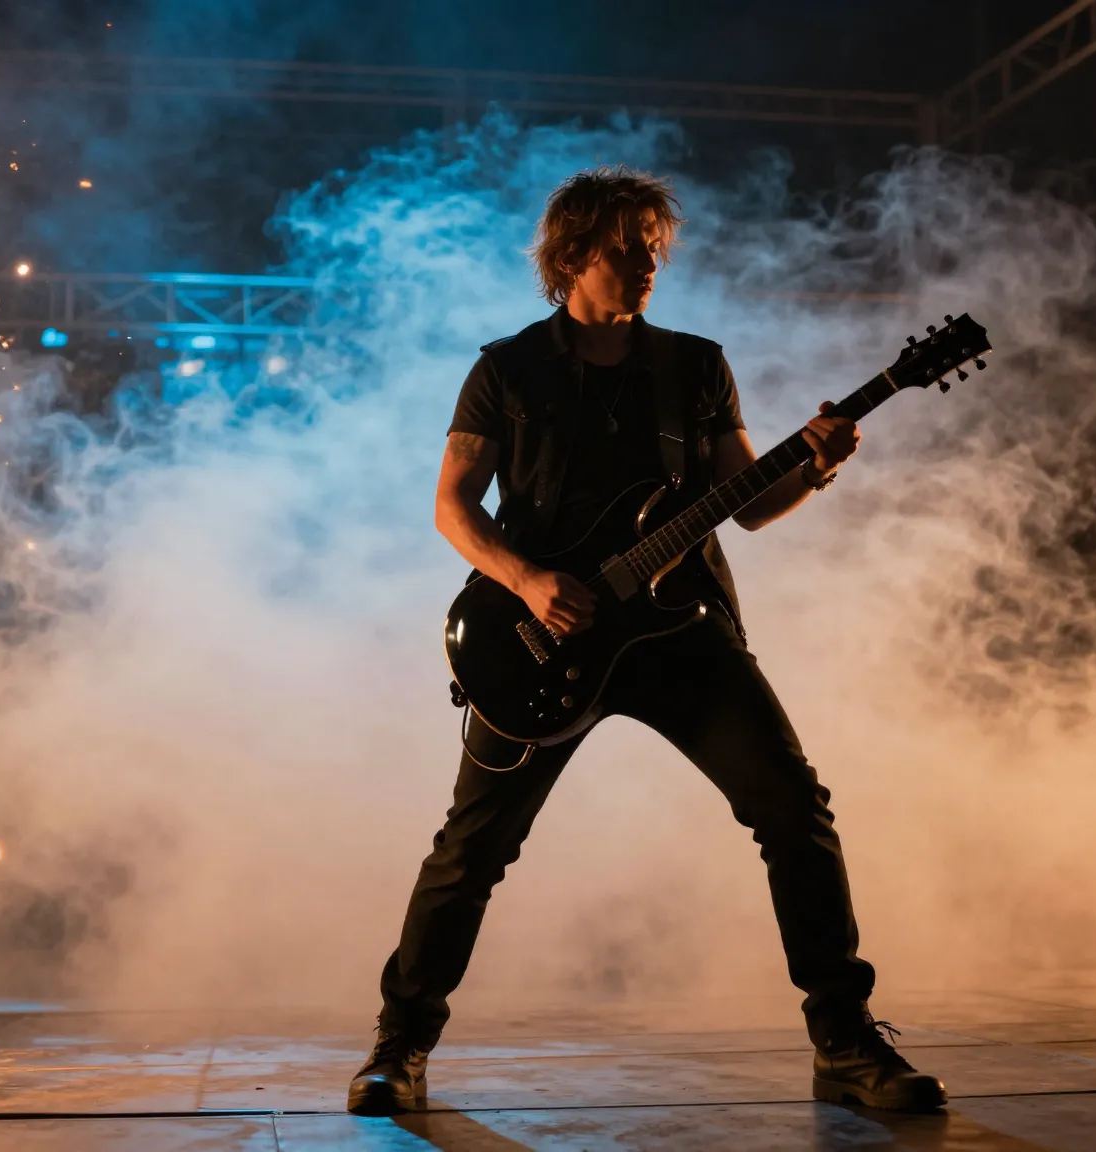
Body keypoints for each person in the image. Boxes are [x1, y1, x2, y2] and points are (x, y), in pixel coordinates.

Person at [348, 166, 945, 1115]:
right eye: (628, 247)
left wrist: (817, 467)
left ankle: (845, 1040)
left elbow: (749, 505)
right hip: (541, 637)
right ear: (572, 256)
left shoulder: (694, 366)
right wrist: (529, 580)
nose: (648, 263)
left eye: (655, 247)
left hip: (682, 632)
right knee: (472, 848)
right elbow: (453, 507)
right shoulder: (508, 368)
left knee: (795, 811)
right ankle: (400, 1046)